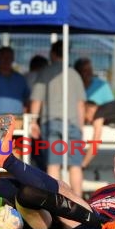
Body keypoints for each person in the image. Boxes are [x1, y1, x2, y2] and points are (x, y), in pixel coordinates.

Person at [30, 40, 86, 196]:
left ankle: (55, 203)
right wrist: (80, 128)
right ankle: (79, 204)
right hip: (73, 123)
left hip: (52, 122)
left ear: (53, 53)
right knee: (75, 167)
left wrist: (34, 121)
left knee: (53, 164)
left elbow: (37, 100)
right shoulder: (74, 74)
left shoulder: (45, 73)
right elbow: (81, 104)